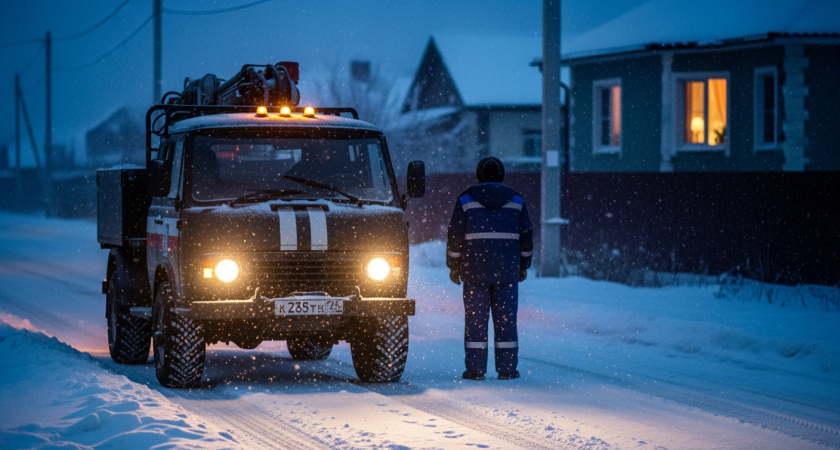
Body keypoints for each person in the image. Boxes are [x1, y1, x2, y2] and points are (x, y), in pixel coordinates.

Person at [446, 156, 533, 380]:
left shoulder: (466, 200)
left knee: (475, 321)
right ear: (502, 175)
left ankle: (475, 370)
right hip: (507, 271)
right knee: (506, 320)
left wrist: (454, 266)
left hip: (474, 270)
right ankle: (507, 370)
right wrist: (523, 266)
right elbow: (526, 235)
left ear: (478, 175)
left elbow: (456, 235)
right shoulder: (517, 201)